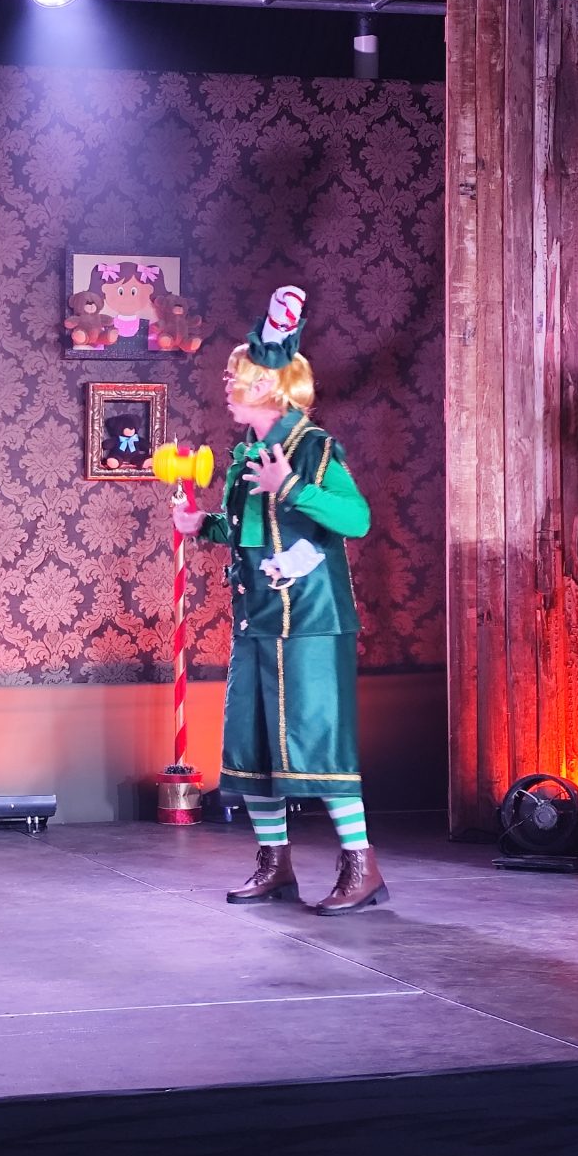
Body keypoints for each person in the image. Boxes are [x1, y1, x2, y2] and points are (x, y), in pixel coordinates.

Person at [172, 286, 382, 915]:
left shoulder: (313, 448)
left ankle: (361, 867)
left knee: (319, 744)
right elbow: (249, 532)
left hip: (311, 623)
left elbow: (356, 519)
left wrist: (290, 486)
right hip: (257, 620)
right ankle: (274, 863)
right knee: (253, 745)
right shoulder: (248, 454)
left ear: (267, 386)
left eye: (236, 375)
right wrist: (201, 526)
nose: (227, 384)